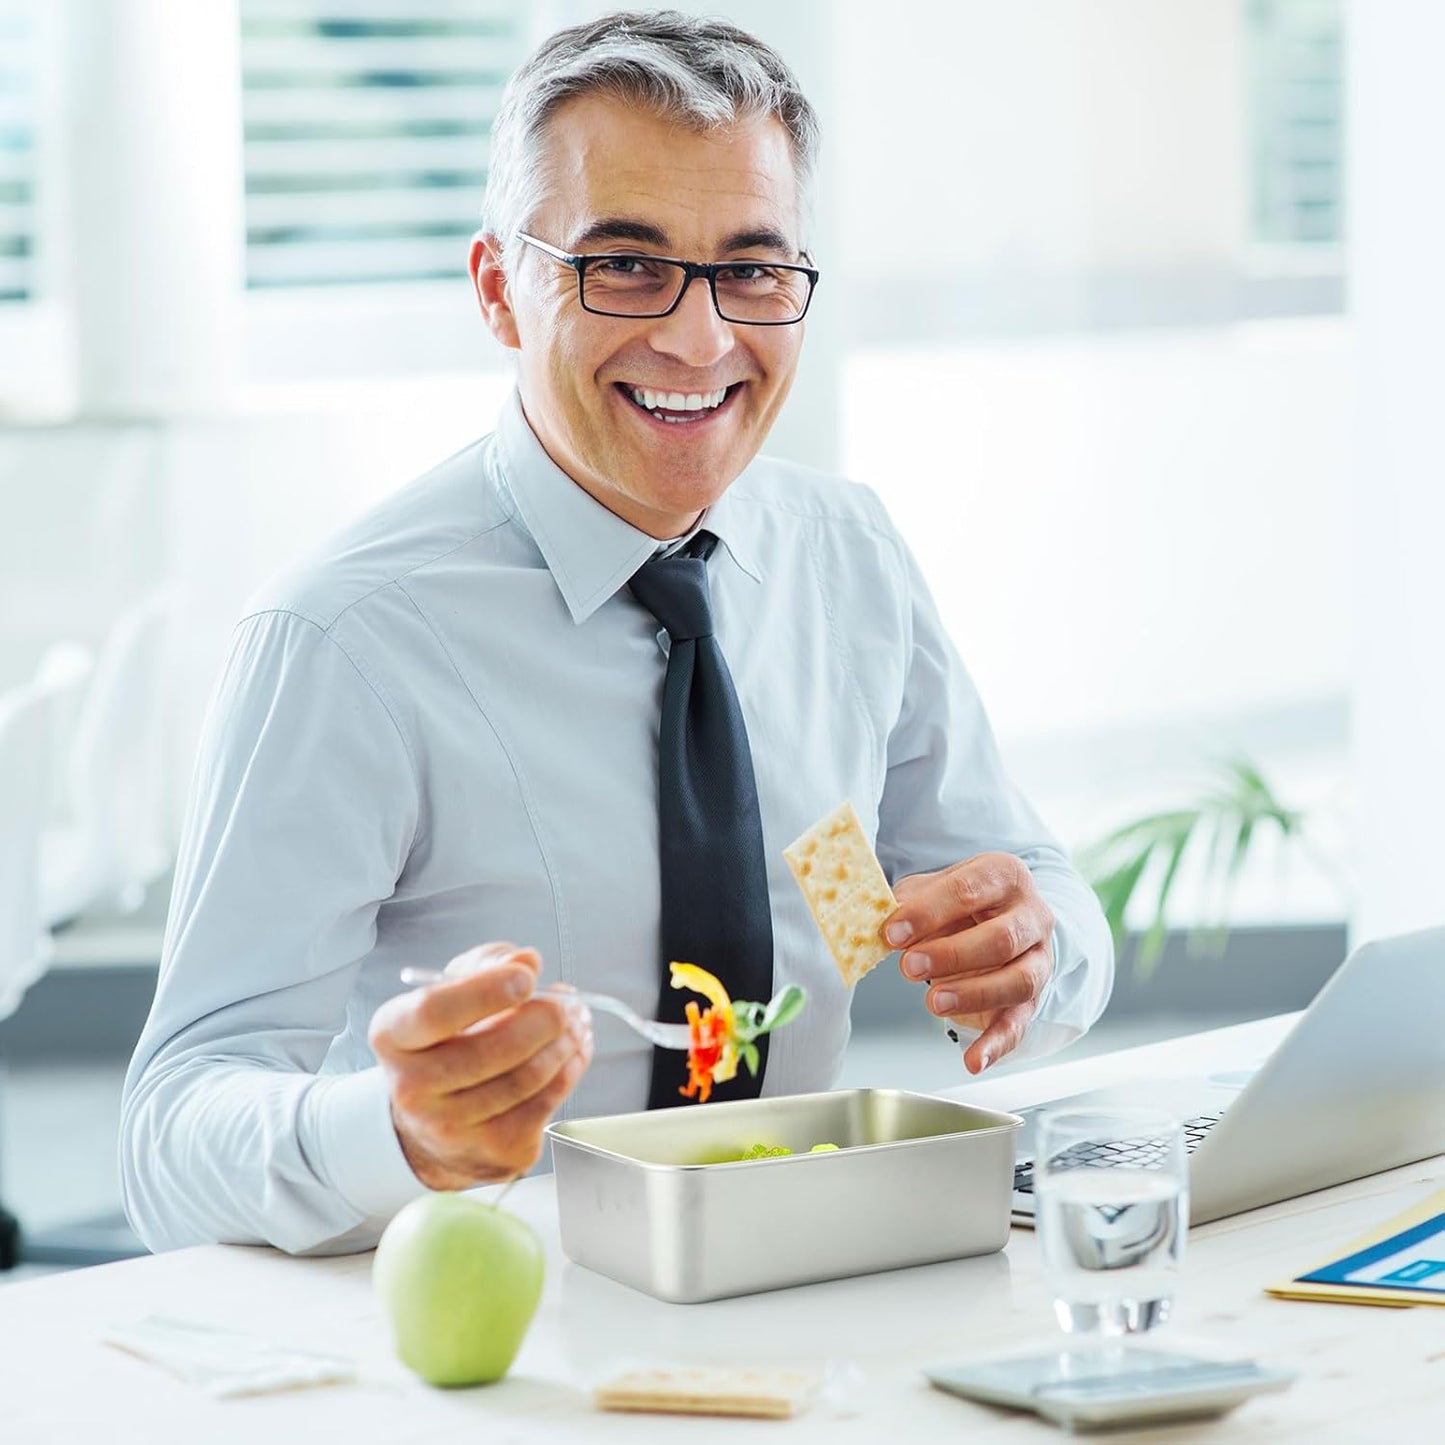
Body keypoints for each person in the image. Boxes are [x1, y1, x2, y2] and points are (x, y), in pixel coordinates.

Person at [120, 10, 1112, 1257]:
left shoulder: (847, 558)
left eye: (751, 269)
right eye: (624, 265)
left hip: (817, 1284)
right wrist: (394, 1130)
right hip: (504, 1337)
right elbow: (168, 1134)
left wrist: (1040, 949)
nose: (699, 339)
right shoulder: (342, 640)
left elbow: (1033, 880)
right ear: (499, 290)